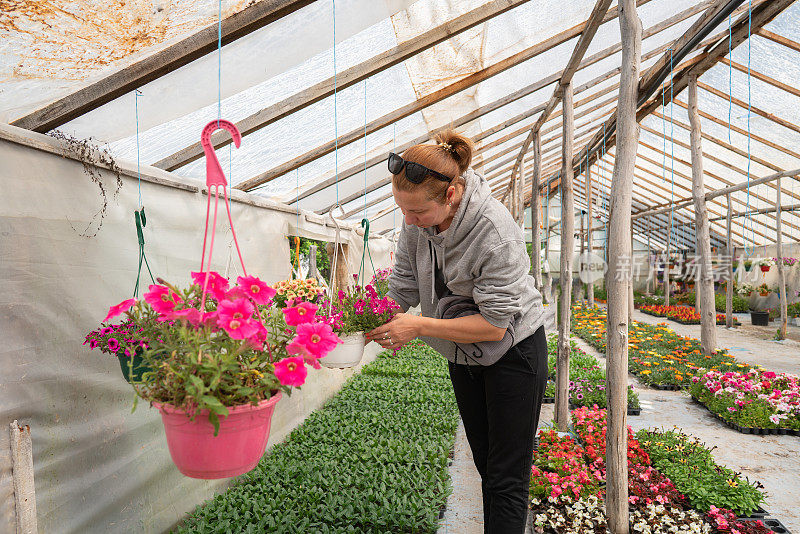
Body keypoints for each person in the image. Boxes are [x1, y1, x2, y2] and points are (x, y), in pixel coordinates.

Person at [365, 130, 548, 533]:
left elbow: (495, 325)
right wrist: (358, 327)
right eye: (403, 212)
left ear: (450, 195)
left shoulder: (494, 231)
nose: (409, 222)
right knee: (485, 463)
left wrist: (418, 325)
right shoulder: (416, 220)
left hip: (514, 353)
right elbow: (403, 286)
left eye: (417, 213)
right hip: (462, 354)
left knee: (506, 476)